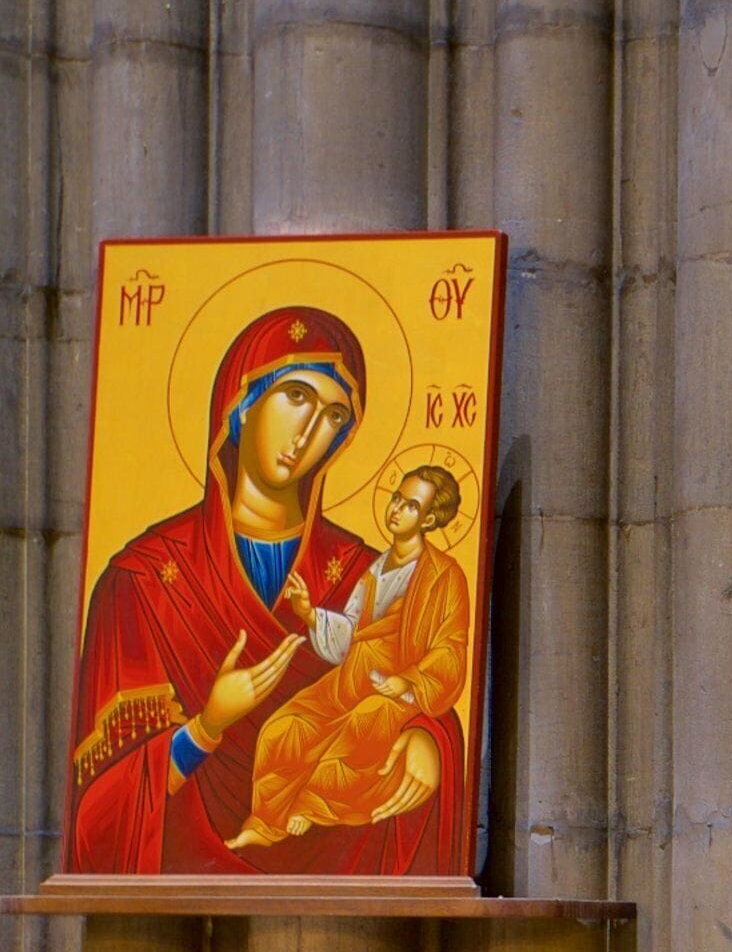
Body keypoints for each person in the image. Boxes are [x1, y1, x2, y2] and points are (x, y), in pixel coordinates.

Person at [61, 305, 472, 876]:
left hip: (340, 861)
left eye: (333, 415)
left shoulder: (363, 569)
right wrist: (206, 727)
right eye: (295, 396)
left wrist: (429, 740)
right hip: (187, 887)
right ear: (241, 403)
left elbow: (427, 670)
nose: (308, 432)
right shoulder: (142, 581)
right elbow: (98, 820)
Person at [230, 465, 472, 849]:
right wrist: (311, 614)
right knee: (284, 727)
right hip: (349, 681)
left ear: (428, 519)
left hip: (395, 694)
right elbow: (352, 632)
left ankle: (309, 806)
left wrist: (407, 679)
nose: (397, 509)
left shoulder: (444, 577)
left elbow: (450, 648)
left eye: (411, 505)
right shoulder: (376, 568)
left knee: (364, 723)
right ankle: (264, 823)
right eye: (396, 498)